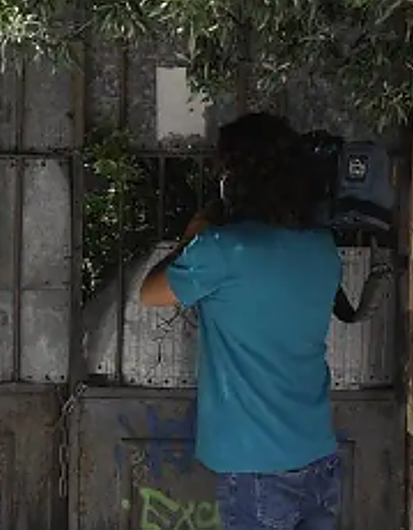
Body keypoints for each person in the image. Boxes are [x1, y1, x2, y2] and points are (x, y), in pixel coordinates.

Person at [140, 112, 342, 530]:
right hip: (317, 453)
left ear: (236, 179)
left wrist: (193, 233)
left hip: (256, 463)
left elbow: (151, 293)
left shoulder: (222, 249)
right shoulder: (322, 248)